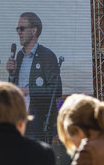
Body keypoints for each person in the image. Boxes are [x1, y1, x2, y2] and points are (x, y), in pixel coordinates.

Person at [6, 12, 62, 141]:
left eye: (22, 28)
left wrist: (28, 91)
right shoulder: (19, 56)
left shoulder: (46, 56)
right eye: (17, 29)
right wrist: (12, 75)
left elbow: (57, 90)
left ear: (34, 31)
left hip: (38, 120)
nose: (19, 32)